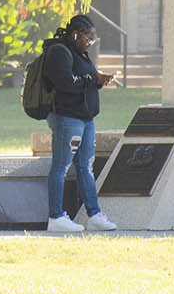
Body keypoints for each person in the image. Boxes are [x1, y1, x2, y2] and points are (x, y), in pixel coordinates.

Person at [42, 14, 118, 233]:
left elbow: (83, 79)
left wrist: (98, 78)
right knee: (61, 166)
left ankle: (94, 215)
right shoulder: (59, 52)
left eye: (93, 39)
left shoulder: (79, 52)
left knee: (86, 166)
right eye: (88, 38)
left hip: (85, 119)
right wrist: (93, 79)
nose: (91, 42)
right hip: (68, 118)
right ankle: (56, 217)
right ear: (75, 34)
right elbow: (66, 82)